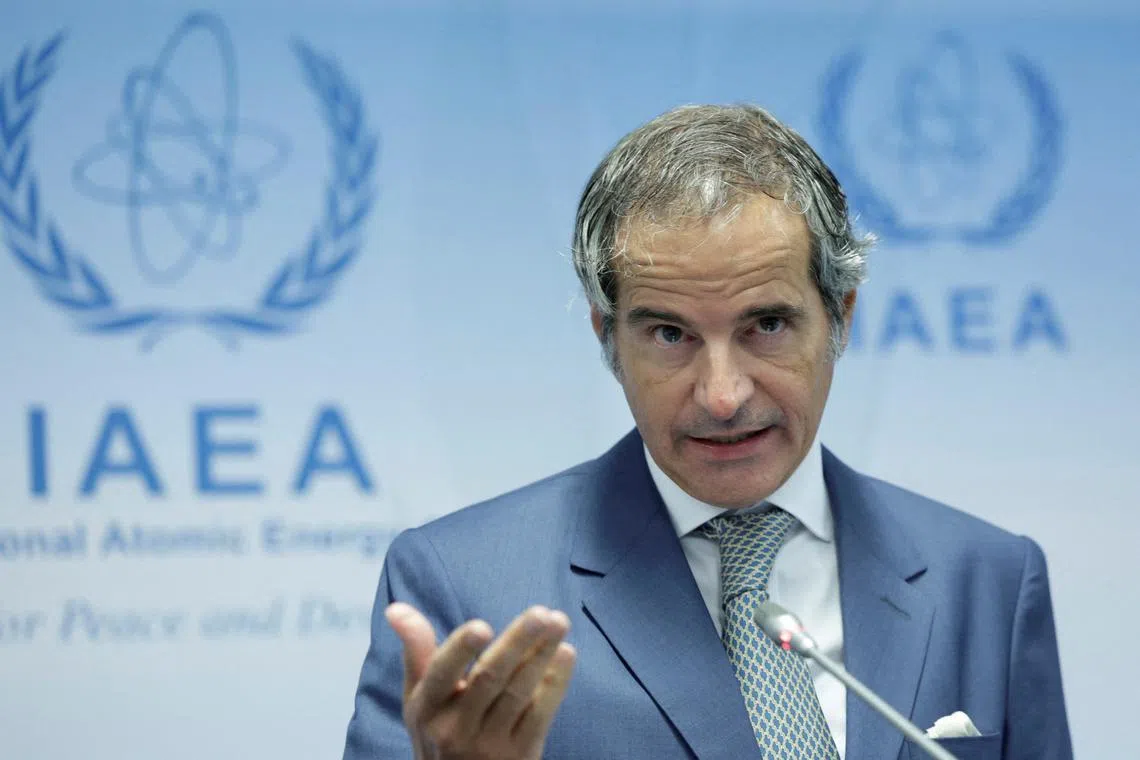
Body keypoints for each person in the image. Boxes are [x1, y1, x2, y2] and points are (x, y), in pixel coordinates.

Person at [341, 104, 1072, 760]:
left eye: (768, 325)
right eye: (669, 334)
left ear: (842, 317)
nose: (723, 396)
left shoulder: (988, 579)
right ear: (607, 338)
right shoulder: (463, 586)